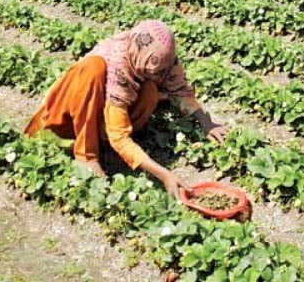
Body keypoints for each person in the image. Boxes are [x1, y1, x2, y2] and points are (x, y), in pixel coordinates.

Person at [24, 20, 229, 198]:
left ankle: (107, 144)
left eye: (158, 70)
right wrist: (163, 174)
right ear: (141, 55)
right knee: (93, 68)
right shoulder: (118, 64)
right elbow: (119, 136)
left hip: (106, 114)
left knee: (150, 90)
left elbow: (180, 90)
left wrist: (207, 123)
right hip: (68, 118)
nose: (156, 73)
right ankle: (86, 155)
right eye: (151, 68)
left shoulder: (161, 56)